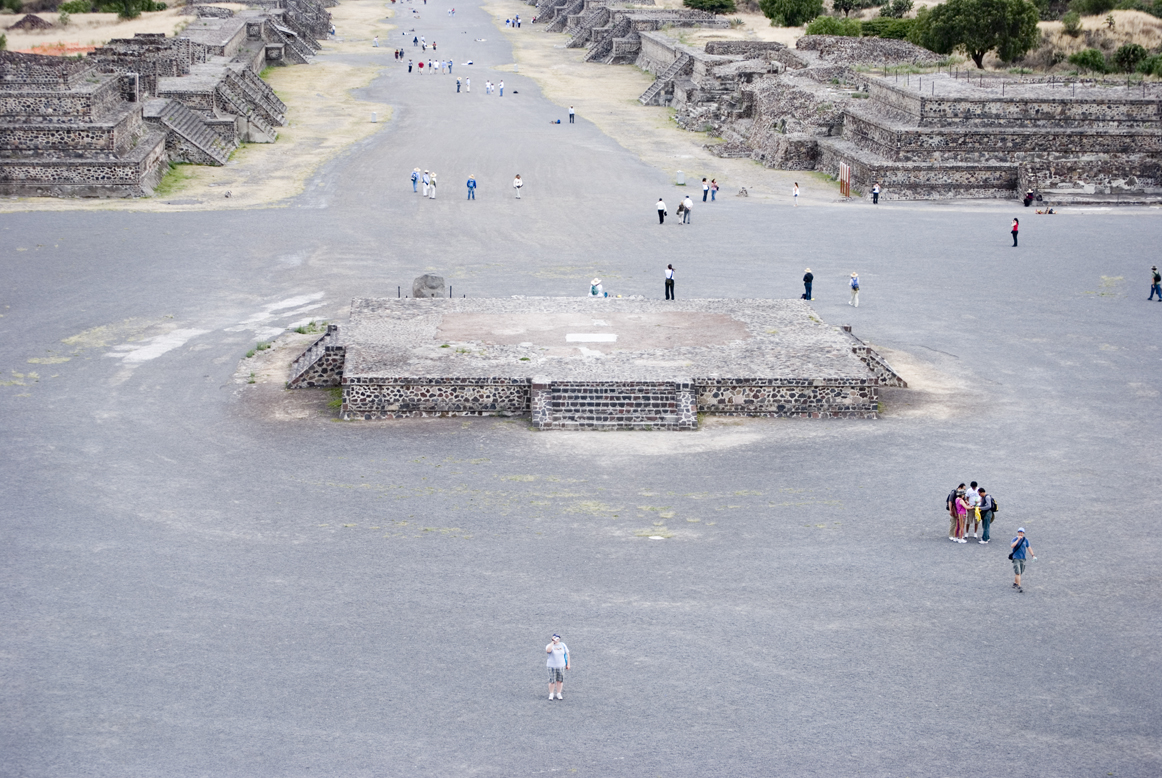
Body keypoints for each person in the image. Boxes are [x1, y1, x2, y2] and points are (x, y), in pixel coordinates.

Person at [1010, 528, 1034, 592]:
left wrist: (1033, 555)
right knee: (1018, 572)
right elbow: (1012, 546)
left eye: (1022, 532)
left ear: (1023, 533)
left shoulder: (1026, 540)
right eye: (1019, 532)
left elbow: (1029, 547)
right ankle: (1019, 586)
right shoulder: (1014, 539)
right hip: (1016, 558)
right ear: (1018, 532)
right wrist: (1018, 540)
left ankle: (1015, 583)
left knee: (1020, 572)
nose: (1020, 533)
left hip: (1022, 558)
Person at [546, 634, 569, 700]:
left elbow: (567, 654)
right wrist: (552, 642)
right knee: (552, 680)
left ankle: (559, 693)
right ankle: (551, 694)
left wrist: (568, 664)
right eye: (555, 639)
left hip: (561, 665)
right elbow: (548, 650)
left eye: (558, 639)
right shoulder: (549, 645)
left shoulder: (563, 645)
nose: (557, 640)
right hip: (551, 665)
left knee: (560, 680)